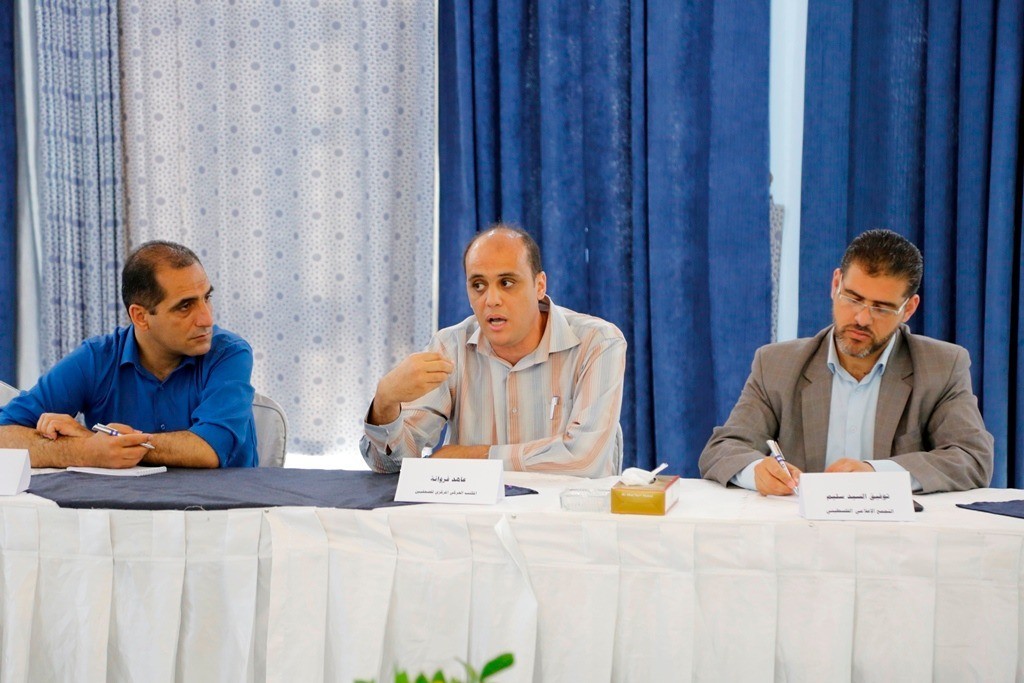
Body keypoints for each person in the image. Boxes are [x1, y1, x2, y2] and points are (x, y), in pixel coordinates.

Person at [699, 229, 993, 495]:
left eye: (881, 308)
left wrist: (876, 474)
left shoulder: (942, 366)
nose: (862, 319)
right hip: (801, 530)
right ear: (835, 284)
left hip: (897, 534)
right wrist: (756, 472)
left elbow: (972, 458)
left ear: (908, 309)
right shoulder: (776, 365)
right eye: (852, 298)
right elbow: (723, 448)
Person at [360, 224, 626, 477]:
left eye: (507, 283)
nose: (492, 300)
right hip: (476, 511)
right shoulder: (450, 348)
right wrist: (385, 402)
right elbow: (390, 467)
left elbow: (584, 461)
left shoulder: (598, 342)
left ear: (539, 286)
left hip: (563, 510)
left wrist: (474, 458)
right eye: (478, 285)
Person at [0, 241, 258, 468]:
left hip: (224, 507)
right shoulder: (95, 359)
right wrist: (83, 450)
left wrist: (101, 442)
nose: (206, 318)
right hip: (125, 507)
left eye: (207, 298)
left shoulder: (230, 353)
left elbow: (209, 448)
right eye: (185, 306)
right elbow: (4, 435)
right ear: (140, 316)